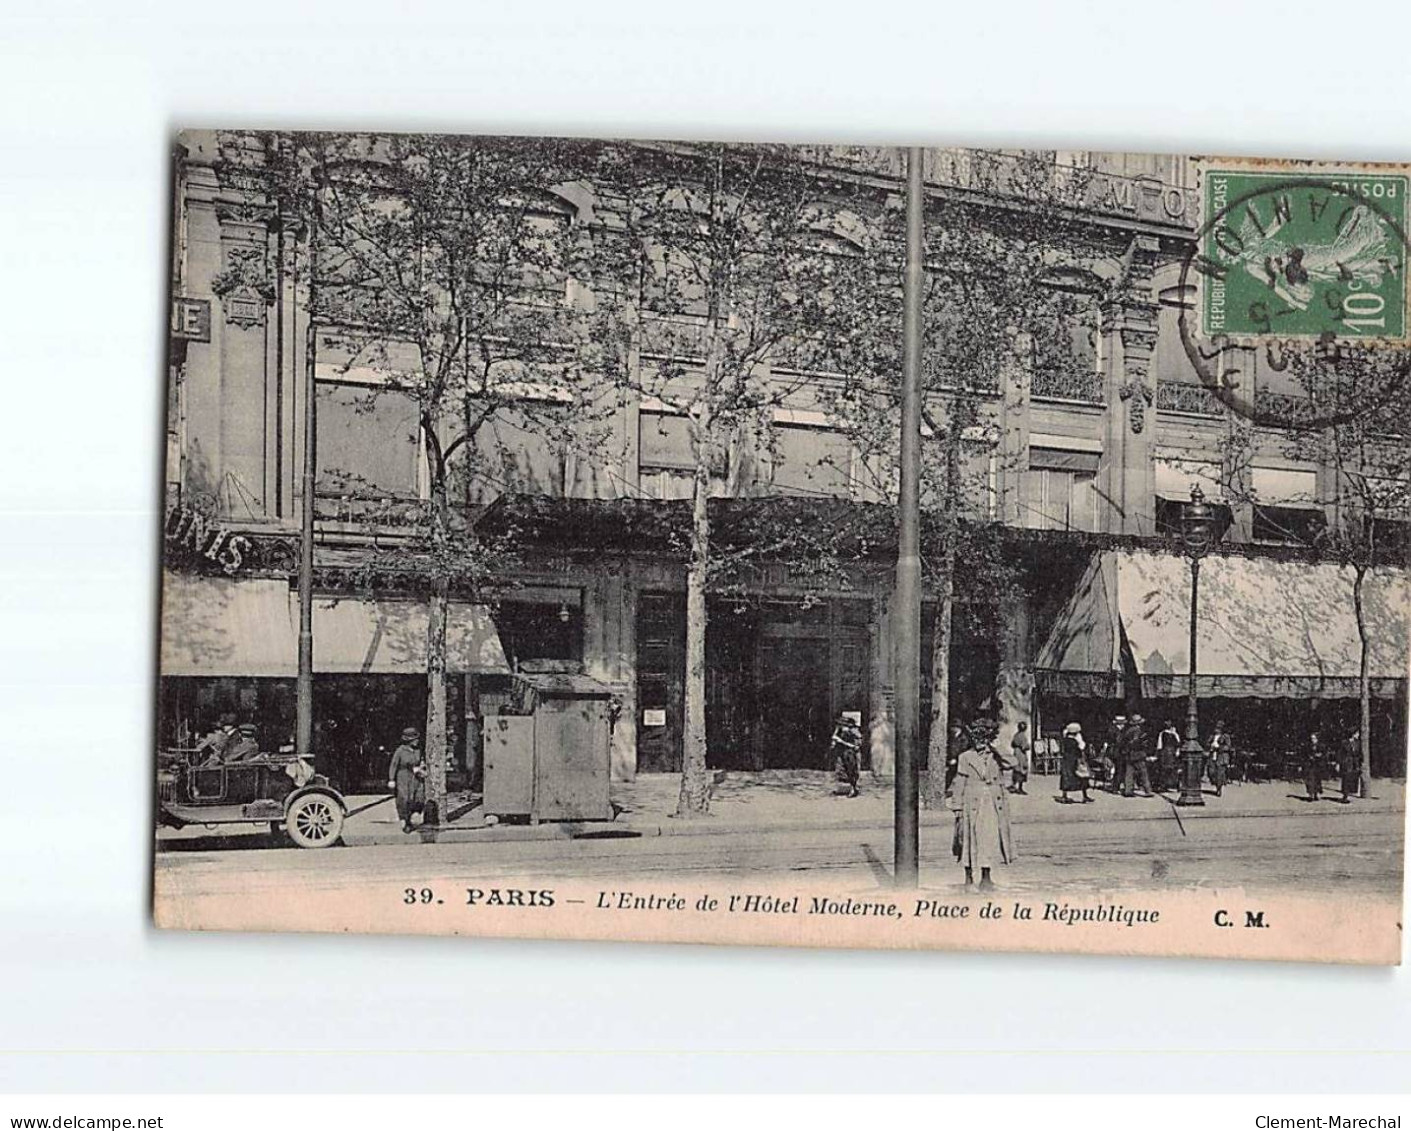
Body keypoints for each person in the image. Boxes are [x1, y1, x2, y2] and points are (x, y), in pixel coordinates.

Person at [948, 719, 1014, 891]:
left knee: (989, 840)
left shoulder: (996, 757)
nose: (980, 743)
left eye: (984, 739)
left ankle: (986, 878)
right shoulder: (965, 757)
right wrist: (957, 807)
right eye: (976, 738)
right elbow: (959, 783)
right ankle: (968, 878)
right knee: (967, 840)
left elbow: (1012, 763)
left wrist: (998, 747)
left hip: (992, 803)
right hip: (971, 803)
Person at [387, 727, 427, 834]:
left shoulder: (418, 750)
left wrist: (421, 768)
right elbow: (394, 765)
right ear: (408, 740)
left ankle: (413, 816)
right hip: (403, 777)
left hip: (416, 777)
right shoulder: (400, 751)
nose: (417, 741)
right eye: (414, 739)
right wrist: (391, 779)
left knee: (418, 797)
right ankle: (405, 821)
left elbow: (422, 761)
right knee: (404, 799)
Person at [1058, 721, 1092, 804]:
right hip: (1075, 760)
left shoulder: (1065, 739)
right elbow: (1081, 748)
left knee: (1066, 778)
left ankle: (1064, 796)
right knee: (1082, 776)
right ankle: (1084, 795)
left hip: (1066, 760)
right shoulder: (1076, 741)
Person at [830, 712, 863, 798]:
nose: (841, 727)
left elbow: (856, 746)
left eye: (842, 725)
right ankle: (845, 788)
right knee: (842, 770)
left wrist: (842, 742)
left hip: (851, 753)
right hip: (843, 752)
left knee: (851, 771)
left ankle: (854, 789)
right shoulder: (841, 731)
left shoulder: (855, 732)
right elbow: (834, 738)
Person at [1121, 714, 1153, 798]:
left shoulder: (1128, 730)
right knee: (1143, 772)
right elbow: (1135, 742)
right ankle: (1148, 790)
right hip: (1138, 754)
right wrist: (1142, 743)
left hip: (1129, 754)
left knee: (1129, 773)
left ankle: (1128, 790)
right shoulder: (1137, 731)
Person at [1208, 722, 1232, 798]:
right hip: (1213, 756)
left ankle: (1219, 789)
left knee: (1219, 774)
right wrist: (1210, 746)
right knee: (1211, 772)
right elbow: (1207, 743)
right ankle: (1217, 784)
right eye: (1216, 728)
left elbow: (1228, 747)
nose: (1216, 730)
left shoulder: (1225, 737)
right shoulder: (1212, 736)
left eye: (1218, 728)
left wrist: (1218, 748)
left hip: (1221, 757)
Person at [1157, 719, 1181, 792]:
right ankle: (1172, 784)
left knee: (1165, 769)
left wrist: (1159, 753)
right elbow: (1178, 743)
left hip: (1166, 752)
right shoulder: (1173, 734)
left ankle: (1164, 785)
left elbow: (1159, 745)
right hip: (1171, 752)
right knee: (1171, 769)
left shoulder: (1162, 733)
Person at [1339, 729, 1362, 803]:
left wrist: (1360, 763)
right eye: (1357, 733)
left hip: (1354, 764)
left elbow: (1359, 754)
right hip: (1347, 763)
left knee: (1352, 779)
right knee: (1346, 779)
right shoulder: (1344, 743)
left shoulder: (1358, 743)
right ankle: (1345, 795)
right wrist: (1340, 762)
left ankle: (1349, 794)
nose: (1358, 735)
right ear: (1353, 734)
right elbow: (1340, 754)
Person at [1008, 721, 1031, 795]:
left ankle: (1014, 785)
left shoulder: (1016, 735)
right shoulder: (1023, 736)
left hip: (1016, 753)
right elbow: (1024, 747)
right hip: (1021, 754)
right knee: (1022, 769)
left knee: (1016, 769)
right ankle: (1020, 788)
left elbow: (1012, 744)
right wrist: (1028, 746)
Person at [1304, 731, 1325, 801]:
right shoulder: (1308, 745)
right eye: (1312, 738)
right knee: (1310, 779)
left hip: (1318, 765)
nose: (1313, 740)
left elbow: (1324, 754)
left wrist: (1319, 755)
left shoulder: (1321, 746)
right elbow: (1304, 754)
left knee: (1317, 780)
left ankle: (1316, 794)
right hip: (1310, 765)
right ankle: (1310, 795)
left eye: (1314, 738)